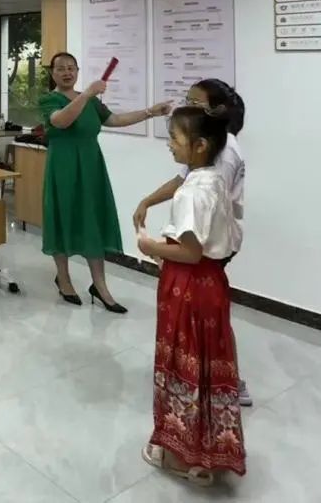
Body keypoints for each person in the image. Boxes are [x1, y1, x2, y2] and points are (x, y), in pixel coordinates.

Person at [137, 105, 246, 485]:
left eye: (174, 138)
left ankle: (182, 458)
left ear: (199, 145)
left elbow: (190, 252)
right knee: (206, 367)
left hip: (187, 287)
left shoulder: (191, 194)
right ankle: (209, 451)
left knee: (183, 367)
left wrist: (149, 246)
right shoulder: (215, 180)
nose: (169, 144)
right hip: (212, 285)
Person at [134, 79, 250, 405]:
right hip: (202, 256)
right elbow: (184, 179)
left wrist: (152, 247)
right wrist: (148, 200)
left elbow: (192, 246)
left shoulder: (221, 160)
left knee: (199, 324)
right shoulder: (206, 163)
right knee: (204, 322)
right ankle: (209, 382)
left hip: (200, 260)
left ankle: (217, 384)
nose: (187, 105)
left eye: (195, 103)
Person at [41, 52, 171, 314]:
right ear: (52, 73)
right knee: (62, 218)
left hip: (91, 168)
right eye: (61, 68)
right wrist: (88, 94)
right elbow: (61, 121)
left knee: (93, 222)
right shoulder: (49, 100)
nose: (67, 72)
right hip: (62, 169)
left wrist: (150, 112)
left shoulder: (89, 100)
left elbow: (115, 120)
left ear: (77, 71)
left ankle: (100, 286)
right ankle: (64, 279)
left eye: (71, 68)